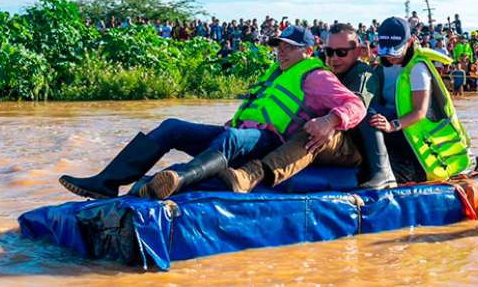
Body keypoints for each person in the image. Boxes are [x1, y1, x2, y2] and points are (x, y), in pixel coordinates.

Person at [59, 26, 367, 200]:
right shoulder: (275, 73)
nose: (281, 51)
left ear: (308, 51)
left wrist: (331, 120)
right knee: (172, 127)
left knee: (232, 139)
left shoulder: (315, 75)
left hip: (271, 144)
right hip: (244, 137)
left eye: (290, 47)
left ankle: (177, 179)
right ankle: (107, 182)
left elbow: (356, 106)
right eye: (279, 46)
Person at [220, 23, 397, 192]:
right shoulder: (318, 69)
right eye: (329, 52)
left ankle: (252, 175)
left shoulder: (362, 74)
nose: (334, 58)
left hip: (351, 144)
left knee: (315, 130)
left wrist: (330, 122)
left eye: (341, 53)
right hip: (329, 138)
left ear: (358, 52)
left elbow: (357, 109)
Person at [367, 17, 472, 183]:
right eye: (385, 51)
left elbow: (420, 112)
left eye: (395, 51)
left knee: (369, 112)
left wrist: (391, 126)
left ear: (409, 42)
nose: (390, 57)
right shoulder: (381, 66)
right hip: (393, 122)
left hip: (407, 129)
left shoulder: (417, 69)